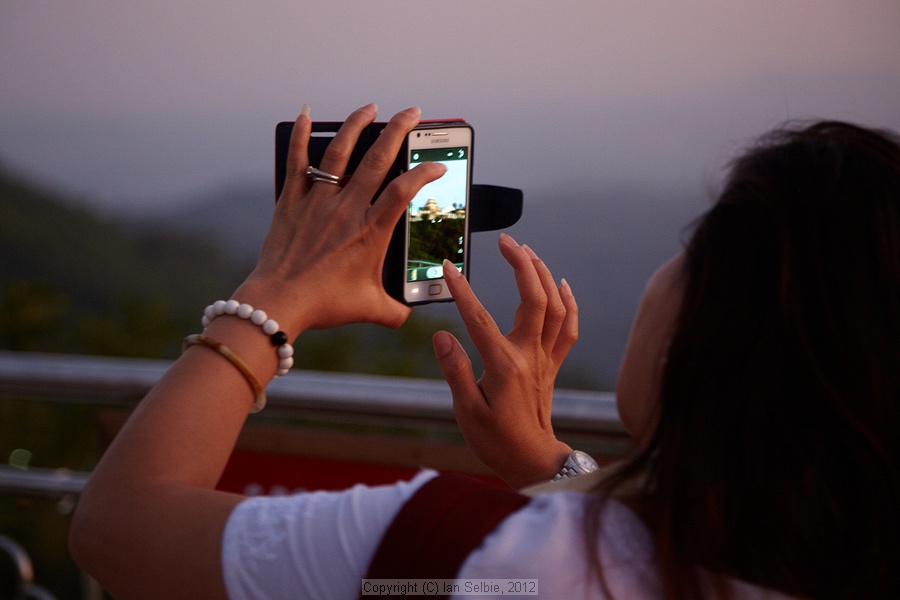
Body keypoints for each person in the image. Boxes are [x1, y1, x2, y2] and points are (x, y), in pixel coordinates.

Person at [67, 104, 900, 599]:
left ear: (716, 332)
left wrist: (273, 298)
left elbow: (120, 526)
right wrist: (549, 461)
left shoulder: (477, 556)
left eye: (698, 244)